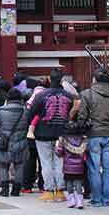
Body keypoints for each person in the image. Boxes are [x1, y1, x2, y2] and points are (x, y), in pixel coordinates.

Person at [78, 67, 109, 207]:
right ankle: (106, 199)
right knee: (108, 168)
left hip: (93, 134)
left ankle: (97, 198)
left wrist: (79, 127)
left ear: (94, 79)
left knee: (94, 167)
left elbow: (82, 116)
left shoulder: (87, 94)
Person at [28, 68, 71, 202]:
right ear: (62, 79)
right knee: (59, 163)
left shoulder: (41, 95)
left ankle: (48, 190)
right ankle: (60, 191)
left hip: (43, 133)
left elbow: (32, 112)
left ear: (49, 78)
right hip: (61, 134)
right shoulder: (68, 96)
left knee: (46, 162)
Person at [0, 88, 29, 196]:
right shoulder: (25, 111)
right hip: (21, 141)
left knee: (3, 165)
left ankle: (4, 189)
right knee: (19, 165)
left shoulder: (1, 110)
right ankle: (16, 190)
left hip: (5, 141)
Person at [59, 133, 88, 209]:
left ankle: (71, 200)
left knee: (69, 183)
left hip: (68, 167)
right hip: (79, 166)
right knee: (78, 183)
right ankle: (79, 201)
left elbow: (59, 152)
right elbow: (86, 152)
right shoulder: (83, 140)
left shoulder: (64, 139)